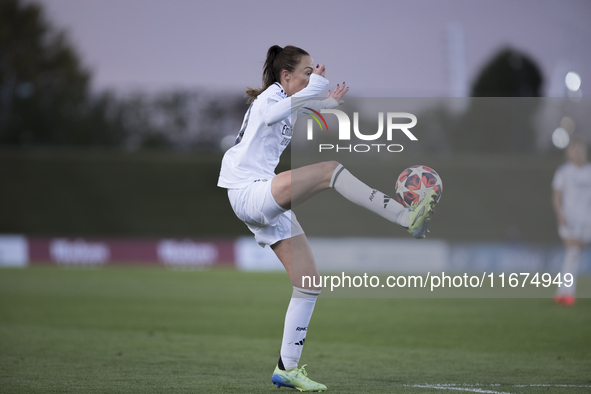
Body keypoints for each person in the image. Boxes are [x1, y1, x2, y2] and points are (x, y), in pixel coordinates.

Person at [217, 45, 437, 392]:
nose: (313, 76)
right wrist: (317, 88)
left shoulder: (285, 99)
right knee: (329, 171)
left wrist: (326, 103)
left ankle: (286, 369)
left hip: (260, 195)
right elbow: (277, 113)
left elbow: (300, 109)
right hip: (249, 191)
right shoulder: (270, 99)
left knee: (308, 283)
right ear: (285, 76)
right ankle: (406, 217)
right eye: (306, 71)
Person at [552, 138, 591, 306]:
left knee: (574, 255)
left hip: (587, 220)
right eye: (574, 149)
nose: (578, 152)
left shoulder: (589, 171)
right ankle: (567, 292)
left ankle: (563, 291)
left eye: (580, 149)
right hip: (570, 219)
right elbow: (557, 196)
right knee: (573, 253)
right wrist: (560, 213)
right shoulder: (564, 172)